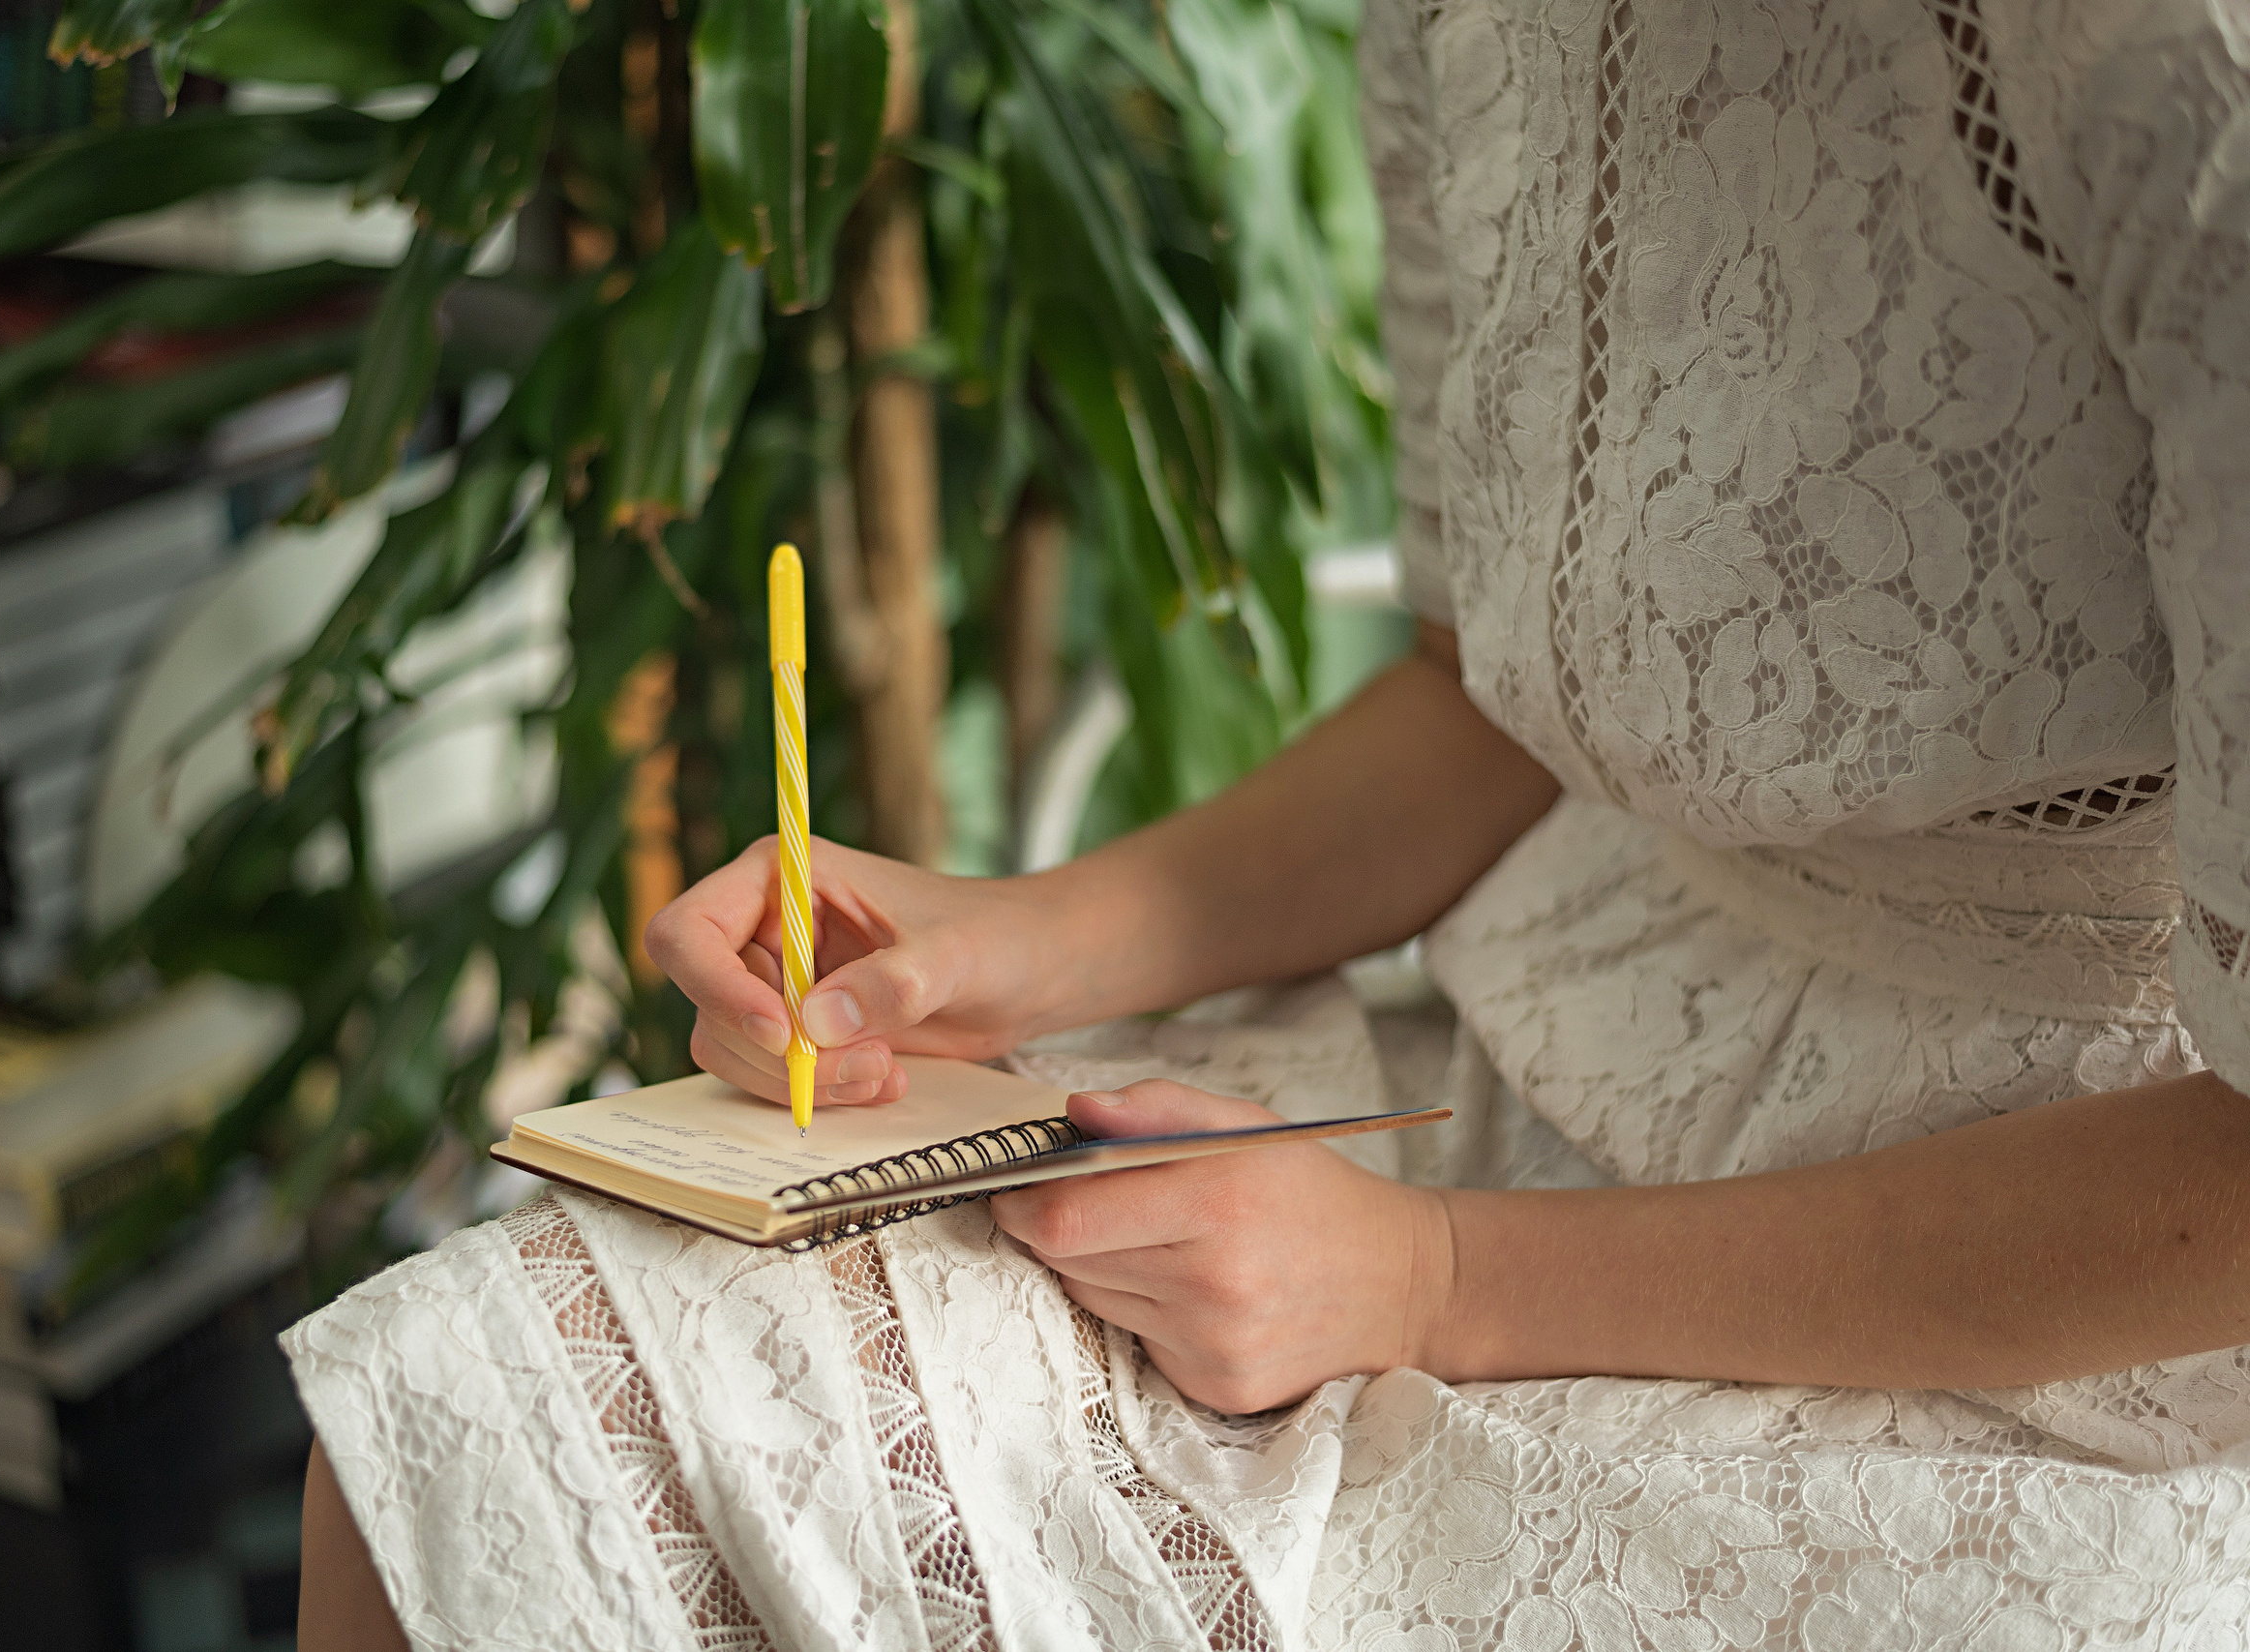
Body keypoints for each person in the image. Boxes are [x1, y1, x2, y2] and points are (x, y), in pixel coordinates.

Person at [290, 1, 2250, 1645]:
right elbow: (1496, 695)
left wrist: (1434, 1283)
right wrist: (1005, 941)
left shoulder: (2179, 63)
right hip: (1535, 1048)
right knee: (445, 1412)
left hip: (2071, 1287)